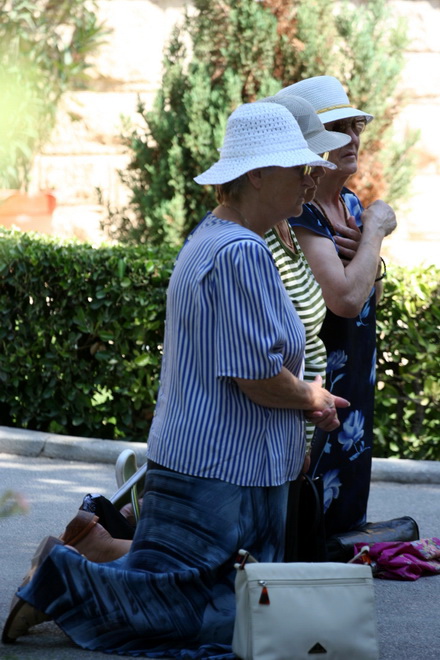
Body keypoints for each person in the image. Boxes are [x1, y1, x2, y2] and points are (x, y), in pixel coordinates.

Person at [2, 102, 349, 657]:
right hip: (222, 470)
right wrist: (312, 395)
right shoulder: (240, 252)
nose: (310, 180)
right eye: (298, 168)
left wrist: (305, 400)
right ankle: (61, 578)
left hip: (215, 463)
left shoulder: (216, 237)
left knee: (213, 606)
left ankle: (68, 570)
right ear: (258, 175)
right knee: (205, 616)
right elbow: (257, 377)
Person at [274, 76, 397, 538]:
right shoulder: (301, 213)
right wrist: (376, 230)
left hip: (356, 369)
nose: (352, 139)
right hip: (319, 379)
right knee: (312, 509)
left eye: (355, 126)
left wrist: (371, 258)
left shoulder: (349, 203)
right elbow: (344, 300)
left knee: (347, 505)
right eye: (337, 128)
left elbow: (368, 296)